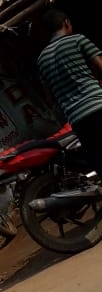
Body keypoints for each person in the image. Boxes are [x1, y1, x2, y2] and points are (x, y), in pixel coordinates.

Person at [37, 9, 102, 174]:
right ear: (66, 23)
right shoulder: (78, 40)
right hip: (98, 106)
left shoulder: (41, 60)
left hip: (77, 120)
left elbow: (49, 98)